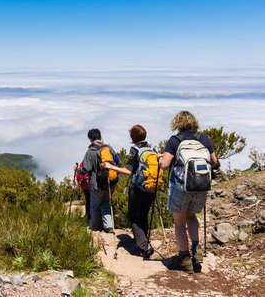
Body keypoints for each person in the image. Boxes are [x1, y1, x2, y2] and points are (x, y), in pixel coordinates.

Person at [158, 111, 219, 273]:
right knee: (192, 216)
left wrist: (159, 159)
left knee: (179, 222)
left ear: (177, 123)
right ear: (194, 122)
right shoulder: (204, 139)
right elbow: (214, 162)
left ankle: (184, 258)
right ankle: (197, 248)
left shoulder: (175, 140)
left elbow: (164, 165)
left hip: (180, 186)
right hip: (201, 187)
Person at [104, 124, 156, 259]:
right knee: (143, 215)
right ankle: (144, 243)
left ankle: (144, 246)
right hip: (152, 188)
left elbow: (128, 171)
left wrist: (111, 167)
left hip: (138, 188)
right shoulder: (151, 148)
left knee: (133, 216)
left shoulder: (135, 149)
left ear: (132, 137)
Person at [77, 128, 116, 232]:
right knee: (105, 203)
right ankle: (108, 226)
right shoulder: (109, 148)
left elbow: (86, 169)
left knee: (94, 206)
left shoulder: (90, 151)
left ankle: (94, 227)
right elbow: (118, 161)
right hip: (109, 182)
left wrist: (77, 170)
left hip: (96, 183)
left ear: (90, 139)